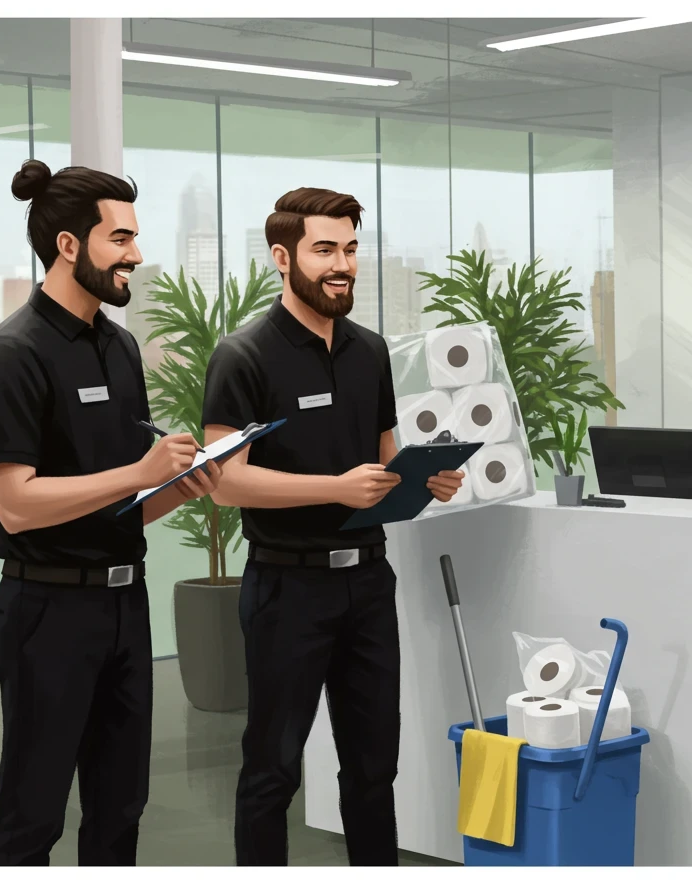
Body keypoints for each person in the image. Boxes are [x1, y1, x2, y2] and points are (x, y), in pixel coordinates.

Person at [0, 160, 226, 865]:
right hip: (46, 613)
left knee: (120, 810)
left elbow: (122, 503)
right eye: (120, 239)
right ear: (69, 246)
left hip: (125, 607)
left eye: (135, 238)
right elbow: (15, 504)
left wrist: (180, 484)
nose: (136, 255)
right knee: (34, 813)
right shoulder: (11, 354)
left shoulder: (121, 347)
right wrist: (138, 472)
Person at [201, 187, 465, 866]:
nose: (342, 263)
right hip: (287, 590)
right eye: (325, 250)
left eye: (350, 248)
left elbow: (383, 462)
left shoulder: (370, 351)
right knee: (272, 773)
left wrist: (424, 481)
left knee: (376, 770)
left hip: (370, 586)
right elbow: (225, 480)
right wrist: (334, 487)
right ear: (282, 257)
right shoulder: (244, 354)